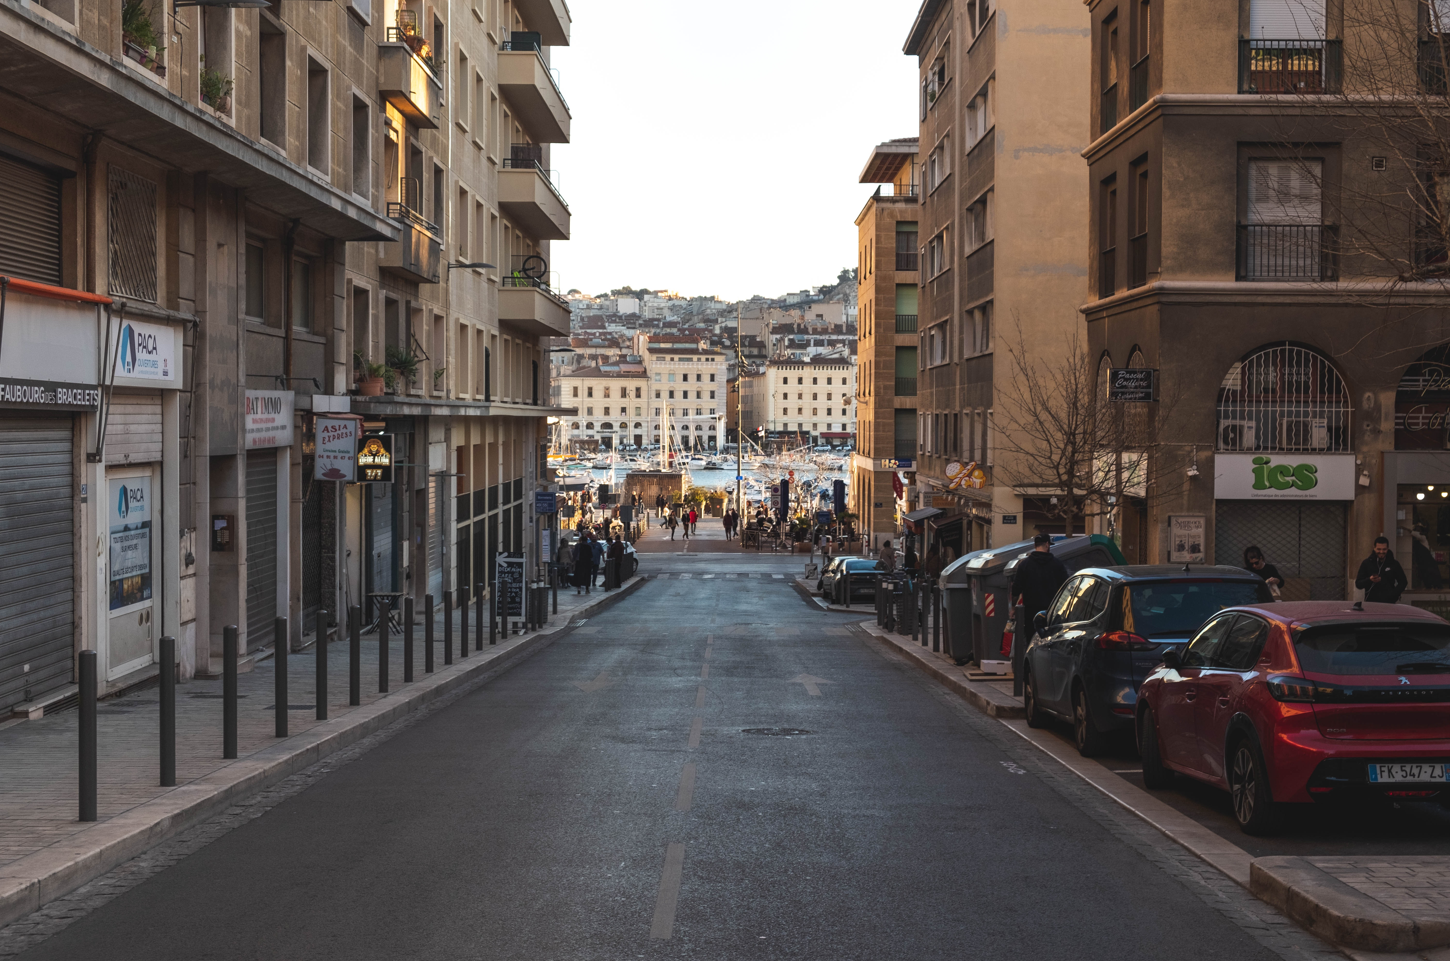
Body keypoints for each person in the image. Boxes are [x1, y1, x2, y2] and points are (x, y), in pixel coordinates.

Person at [1010, 533, 1070, 625]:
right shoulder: (1057, 564)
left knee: (1031, 637)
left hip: (1031, 612)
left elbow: (1016, 589)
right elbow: (1066, 586)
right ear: (1047, 544)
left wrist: (1013, 608)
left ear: (1035, 545)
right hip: (1051, 611)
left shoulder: (1024, 565)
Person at [1356, 535, 1408, 604]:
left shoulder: (1394, 563)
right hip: (1371, 602)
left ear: (1388, 548)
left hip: (1389, 603)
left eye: (1384, 549)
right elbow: (1358, 584)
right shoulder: (1367, 563)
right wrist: (1370, 580)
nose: (1381, 552)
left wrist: (1393, 594)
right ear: (1374, 548)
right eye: (1379, 549)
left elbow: (1403, 582)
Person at [1412, 523, 1444, 591]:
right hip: (1422, 560)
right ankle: (1428, 586)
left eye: (1419, 528)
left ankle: (1435, 585)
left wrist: (1405, 528)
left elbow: (1415, 534)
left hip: (1427, 560)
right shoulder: (1416, 542)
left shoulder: (1423, 537)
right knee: (1424, 573)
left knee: (1430, 572)